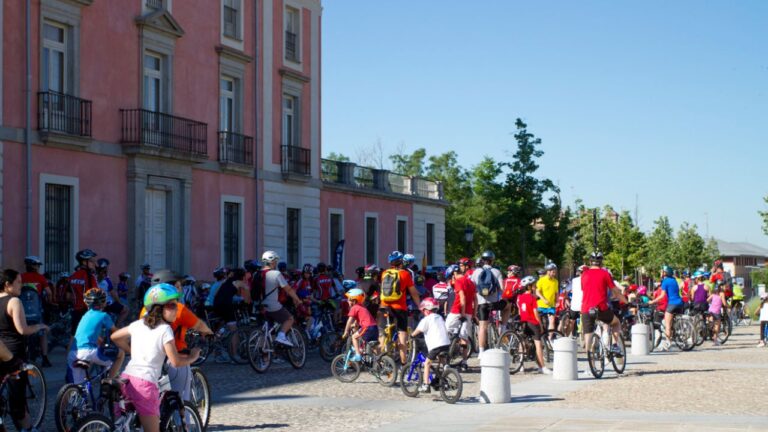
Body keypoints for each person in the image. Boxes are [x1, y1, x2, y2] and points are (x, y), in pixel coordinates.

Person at [111, 283, 200, 432]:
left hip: (126, 380)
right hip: (145, 384)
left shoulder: (139, 324)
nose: (176, 308)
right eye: (172, 305)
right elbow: (176, 361)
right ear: (158, 308)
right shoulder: (165, 329)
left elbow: (115, 337)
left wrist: (133, 352)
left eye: (176, 305)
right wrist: (193, 357)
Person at [141, 270, 213, 402]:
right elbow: (199, 325)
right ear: (170, 288)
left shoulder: (146, 310)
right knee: (181, 400)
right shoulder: (178, 308)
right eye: (179, 286)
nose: (181, 290)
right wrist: (209, 333)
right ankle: (186, 422)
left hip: (150, 361)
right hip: (175, 357)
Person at [0, 269, 49, 431]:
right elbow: (22, 329)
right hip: (13, 353)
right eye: (18, 282)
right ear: (7, 284)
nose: (22, 285)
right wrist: (39, 326)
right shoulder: (14, 301)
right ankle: (27, 428)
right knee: (18, 399)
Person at [68, 288, 125, 384]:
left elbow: (88, 334)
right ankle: (109, 381)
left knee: (79, 386)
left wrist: (100, 341)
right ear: (103, 302)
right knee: (120, 354)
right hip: (88, 352)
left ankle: (75, 396)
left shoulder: (84, 316)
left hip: (73, 353)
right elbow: (116, 332)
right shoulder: (103, 315)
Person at [379, 251, 421, 364]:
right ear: (401, 262)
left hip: (384, 306)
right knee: (402, 333)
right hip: (399, 307)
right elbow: (414, 293)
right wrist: (419, 305)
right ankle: (404, 363)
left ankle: (382, 358)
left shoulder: (384, 273)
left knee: (383, 332)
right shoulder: (405, 274)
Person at [580, 252, 624, 356]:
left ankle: (590, 361)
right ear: (601, 262)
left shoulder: (584, 274)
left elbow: (583, 288)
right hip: (601, 308)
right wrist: (626, 301)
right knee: (616, 323)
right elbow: (615, 291)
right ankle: (614, 345)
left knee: (588, 334)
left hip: (586, 308)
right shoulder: (605, 273)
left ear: (590, 262)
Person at [260, 251, 302, 346]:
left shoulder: (257, 274)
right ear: (272, 262)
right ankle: (282, 336)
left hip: (259, 306)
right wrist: (297, 300)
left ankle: (266, 358)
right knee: (290, 319)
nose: (276, 263)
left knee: (268, 331)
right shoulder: (276, 274)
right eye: (275, 261)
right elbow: (289, 289)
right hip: (272, 305)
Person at [410, 297, 450, 392]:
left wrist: (411, 335)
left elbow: (418, 330)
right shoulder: (440, 317)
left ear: (427, 310)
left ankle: (426, 385)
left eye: (423, 311)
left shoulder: (426, 319)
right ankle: (446, 371)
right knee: (442, 359)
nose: (423, 313)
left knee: (427, 363)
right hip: (446, 344)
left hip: (436, 345)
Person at [471, 250, 507, 356]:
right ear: (492, 261)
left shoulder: (476, 272)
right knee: (508, 306)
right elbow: (502, 289)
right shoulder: (497, 272)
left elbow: (472, 287)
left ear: (482, 260)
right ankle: (503, 327)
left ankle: (481, 352)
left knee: (482, 327)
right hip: (494, 304)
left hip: (481, 304)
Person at [20, 256, 52, 367]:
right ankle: (45, 358)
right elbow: (48, 292)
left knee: (22, 333)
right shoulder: (41, 278)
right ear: (33, 266)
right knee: (42, 333)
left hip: (23, 311)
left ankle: (22, 357)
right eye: (37, 265)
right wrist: (49, 301)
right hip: (37, 310)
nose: (38, 267)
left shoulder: (20, 277)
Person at [517, 275, 552, 374]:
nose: (535, 287)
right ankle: (542, 367)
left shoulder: (520, 297)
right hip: (532, 322)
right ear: (529, 287)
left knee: (522, 342)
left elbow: (520, 311)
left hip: (523, 322)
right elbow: (535, 313)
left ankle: (521, 365)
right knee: (538, 345)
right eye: (533, 285)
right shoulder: (532, 298)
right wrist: (540, 325)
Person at [444, 263, 475, 372]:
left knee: (445, 332)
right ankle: (464, 362)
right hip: (469, 313)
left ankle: (445, 361)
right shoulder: (470, 282)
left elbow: (462, 299)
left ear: (453, 274)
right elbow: (475, 299)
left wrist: (461, 313)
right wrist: (473, 314)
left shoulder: (458, 281)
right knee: (464, 338)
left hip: (457, 311)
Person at [213, 267, 247, 361]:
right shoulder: (239, 283)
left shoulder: (225, 281)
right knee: (234, 330)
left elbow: (216, 294)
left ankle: (216, 351)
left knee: (222, 326)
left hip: (216, 305)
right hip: (226, 306)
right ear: (242, 276)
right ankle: (235, 355)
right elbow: (247, 296)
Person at [649, 265, 684, 351]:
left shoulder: (665, 281)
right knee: (672, 321)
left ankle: (668, 343)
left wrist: (652, 301)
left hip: (672, 304)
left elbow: (662, 295)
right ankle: (676, 332)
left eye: (662, 271)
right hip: (680, 303)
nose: (661, 273)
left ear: (665, 273)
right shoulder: (674, 280)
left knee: (667, 325)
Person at [341, 285, 378, 361]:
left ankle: (358, 355)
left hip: (367, 328)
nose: (347, 301)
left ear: (354, 300)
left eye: (349, 299)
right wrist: (355, 325)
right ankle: (378, 362)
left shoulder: (354, 308)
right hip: (374, 327)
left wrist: (346, 331)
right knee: (371, 346)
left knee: (354, 337)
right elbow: (360, 320)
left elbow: (349, 321)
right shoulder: (361, 307)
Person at [68, 249, 99, 337]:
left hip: (76, 311)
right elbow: (96, 294)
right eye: (92, 261)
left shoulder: (72, 276)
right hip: (88, 311)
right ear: (84, 262)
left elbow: (68, 296)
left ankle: (71, 351)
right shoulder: (90, 276)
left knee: (74, 336)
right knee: (94, 336)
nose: (94, 263)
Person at [96, 258, 128, 327]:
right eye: (107, 267)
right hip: (106, 304)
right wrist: (120, 302)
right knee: (125, 310)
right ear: (104, 268)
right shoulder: (106, 279)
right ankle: (116, 327)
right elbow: (113, 293)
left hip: (95, 304)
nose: (108, 268)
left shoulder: (92, 277)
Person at [535, 263, 559, 333]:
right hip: (541, 305)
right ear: (548, 271)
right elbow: (537, 292)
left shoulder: (555, 281)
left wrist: (557, 301)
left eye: (555, 272)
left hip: (551, 305)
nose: (554, 274)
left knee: (552, 322)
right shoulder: (541, 280)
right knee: (539, 323)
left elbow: (556, 293)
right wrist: (544, 299)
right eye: (553, 272)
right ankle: (540, 336)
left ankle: (549, 339)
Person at [565, 265, 586, 338]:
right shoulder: (590, 280)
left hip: (575, 305)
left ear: (580, 272)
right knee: (586, 323)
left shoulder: (574, 280)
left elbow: (566, 290)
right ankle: (586, 344)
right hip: (585, 305)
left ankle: (566, 338)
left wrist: (566, 298)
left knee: (571, 322)